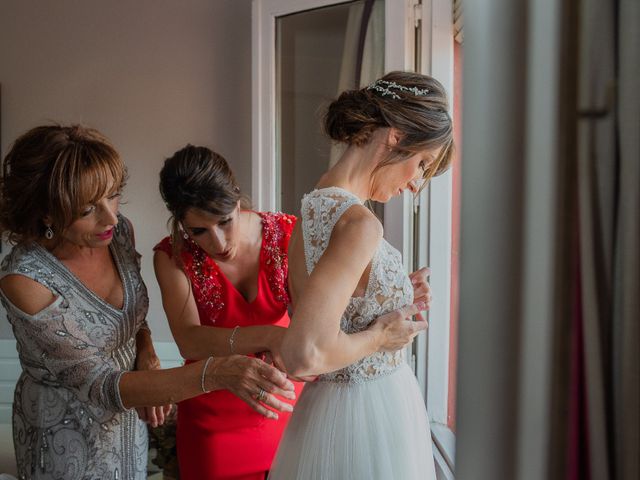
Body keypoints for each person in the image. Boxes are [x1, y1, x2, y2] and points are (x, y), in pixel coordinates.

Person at [0, 125, 294, 480]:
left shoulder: (115, 233)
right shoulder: (25, 281)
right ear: (47, 214)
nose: (110, 217)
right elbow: (99, 385)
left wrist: (147, 351)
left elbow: (129, 317)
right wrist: (215, 372)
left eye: (112, 196)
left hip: (131, 423)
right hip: (66, 432)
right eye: (88, 208)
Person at [268, 71, 454, 480]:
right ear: (396, 135)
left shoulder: (311, 210)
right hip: (367, 416)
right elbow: (303, 354)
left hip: (328, 413)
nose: (417, 184)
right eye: (422, 164)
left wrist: (397, 289)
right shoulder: (360, 224)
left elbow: (338, 304)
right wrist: (382, 337)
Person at [153, 145, 302, 480]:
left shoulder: (287, 232)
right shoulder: (171, 256)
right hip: (213, 420)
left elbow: (320, 306)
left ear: (237, 199)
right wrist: (268, 335)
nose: (218, 242)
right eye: (198, 231)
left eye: (225, 222)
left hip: (287, 405)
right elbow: (189, 341)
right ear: (181, 224)